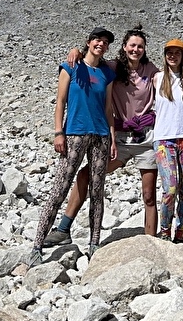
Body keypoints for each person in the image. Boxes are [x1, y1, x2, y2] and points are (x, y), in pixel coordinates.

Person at [45, 30, 160, 244]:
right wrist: (76, 51)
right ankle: (63, 229)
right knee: (86, 175)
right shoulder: (113, 67)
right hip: (120, 137)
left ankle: (151, 244)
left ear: (144, 49)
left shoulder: (151, 69)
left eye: (140, 46)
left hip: (145, 138)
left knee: (148, 194)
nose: (135, 50)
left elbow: (167, 82)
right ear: (124, 47)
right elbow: (92, 60)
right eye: (132, 45)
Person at [30, 29, 118, 264]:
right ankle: (37, 245)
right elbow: (60, 102)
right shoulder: (70, 66)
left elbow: (108, 108)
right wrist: (58, 132)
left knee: (97, 191)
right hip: (74, 133)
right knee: (60, 188)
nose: (101, 44)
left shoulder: (107, 73)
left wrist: (112, 137)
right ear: (88, 42)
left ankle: (94, 244)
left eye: (105, 42)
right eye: (97, 40)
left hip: (100, 135)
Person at [152, 37, 183, 242]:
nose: (173, 56)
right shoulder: (157, 78)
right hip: (164, 139)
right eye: (169, 53)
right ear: (164, 56)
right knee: (170, 188)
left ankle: (181, 234)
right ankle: (165, 232)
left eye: (177, 52)